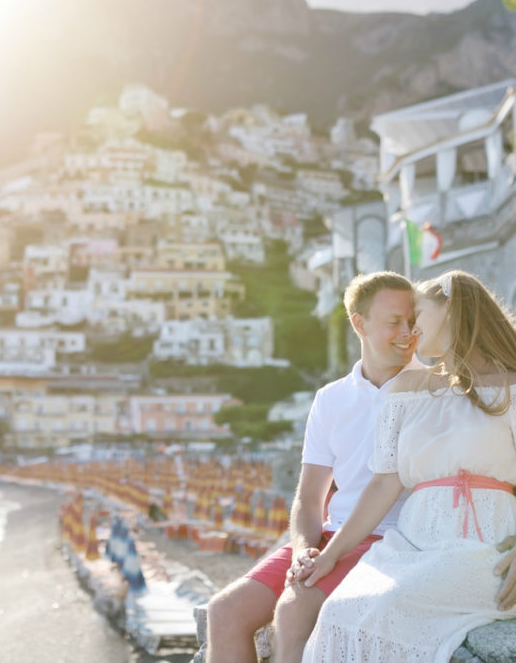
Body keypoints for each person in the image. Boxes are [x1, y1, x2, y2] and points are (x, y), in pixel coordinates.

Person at [301, 270, 516, 663]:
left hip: (484, 544)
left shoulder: (512, 385)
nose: (411, 325)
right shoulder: (407, 391)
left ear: (450, 311)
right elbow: (384, 484)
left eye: (417, 311)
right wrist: (332, 552)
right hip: (411, 543)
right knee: (338, 612)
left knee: (389, 606)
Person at [206, 270, 421, 663]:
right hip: (328, 537)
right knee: (224, 612)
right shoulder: (330, 398)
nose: (407, 331)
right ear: (359, 323)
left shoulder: (431, 388)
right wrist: (304, 549)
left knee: (294, 607)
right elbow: (308, 499)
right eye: (394, 322)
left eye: (413, 321)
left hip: (389, 540)